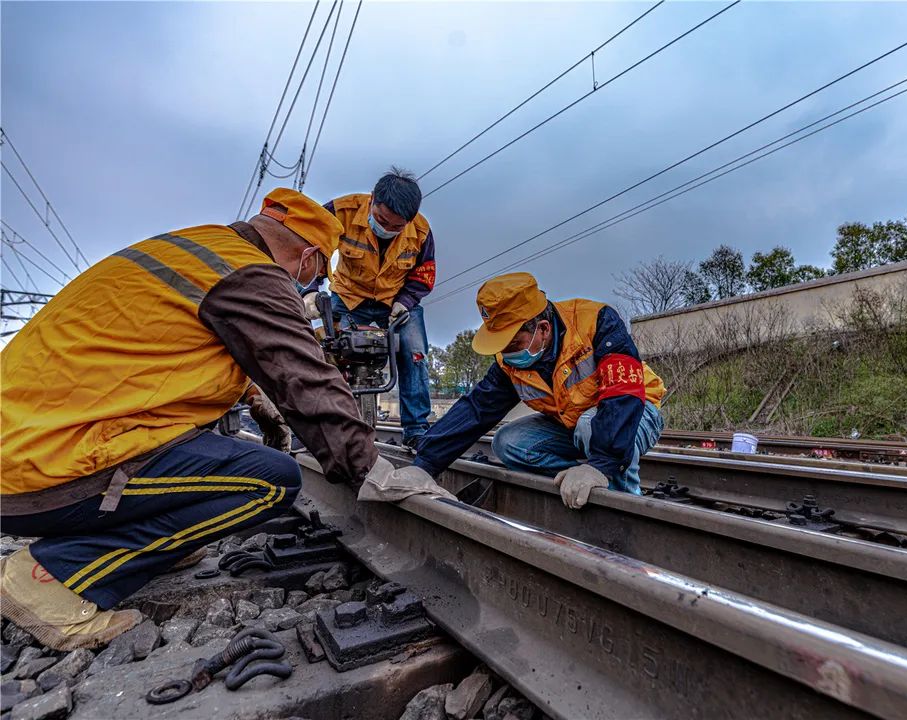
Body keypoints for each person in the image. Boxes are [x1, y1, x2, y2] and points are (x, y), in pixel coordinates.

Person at [0, 188, 381, 651]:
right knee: (272, 480)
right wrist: (366, 469)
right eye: (318, 274)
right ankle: (56, 575)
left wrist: (258, 402)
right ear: (308, 257)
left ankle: (162, 541)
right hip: (44, 474)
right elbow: (308, 382)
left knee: (220, 457)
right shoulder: (255, 276)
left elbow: (174, 357)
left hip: (26, 448)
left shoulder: (201, 250)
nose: (312, 285)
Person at [406, 272, 666, 510]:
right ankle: (582, 478)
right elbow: (476, 410)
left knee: (591, 425)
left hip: (635, 411)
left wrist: (602, 463)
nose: (507, 354)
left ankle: (625, 502)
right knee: (507, 442)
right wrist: (426, 463)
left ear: (542, 328)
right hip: (575, 425)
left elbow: (623, 394)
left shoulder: (596, 322)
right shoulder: (509, 363)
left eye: (513, 343)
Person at [323, 169, 435, 449]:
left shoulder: (420, 231)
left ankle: (416, 429)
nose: (387, 228)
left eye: (397, 227)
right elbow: (311, 248)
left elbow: (424, 273)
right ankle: (328, 423)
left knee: (414, 351)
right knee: (327, 352)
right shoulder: (341, 211)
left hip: (393, 302)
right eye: (382, 220)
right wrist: (311, 290)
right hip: (348, 296)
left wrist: (405, 302)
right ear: (372, 200)